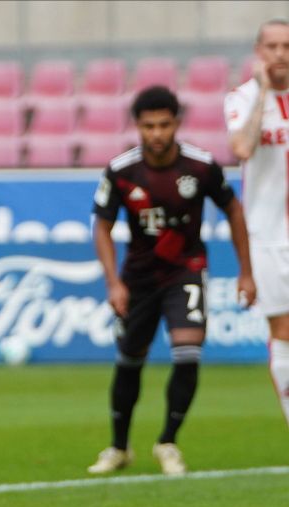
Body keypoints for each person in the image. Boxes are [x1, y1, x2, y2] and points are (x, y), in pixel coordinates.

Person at [88, 86, 256, 476]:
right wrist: (113, 283)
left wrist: (245, 272)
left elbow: (233, 209)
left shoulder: (200, 166)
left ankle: (168, 441)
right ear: (138, 127)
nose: (157, 133)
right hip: (139, 278)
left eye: (165, 124)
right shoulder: (121, 170)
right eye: (149, 126)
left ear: (177, 123)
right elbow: (102, 226)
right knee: (129, 361)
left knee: (188, 351)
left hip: (186, 269)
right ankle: (119, 446)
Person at [226, 18, 289, 427]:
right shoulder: (242, 98)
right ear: (258, 51)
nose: (280, 55)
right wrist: (265, 90)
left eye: (287, 46)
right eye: (272, 47)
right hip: (268, 236)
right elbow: (243, 148)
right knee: (283, 330)